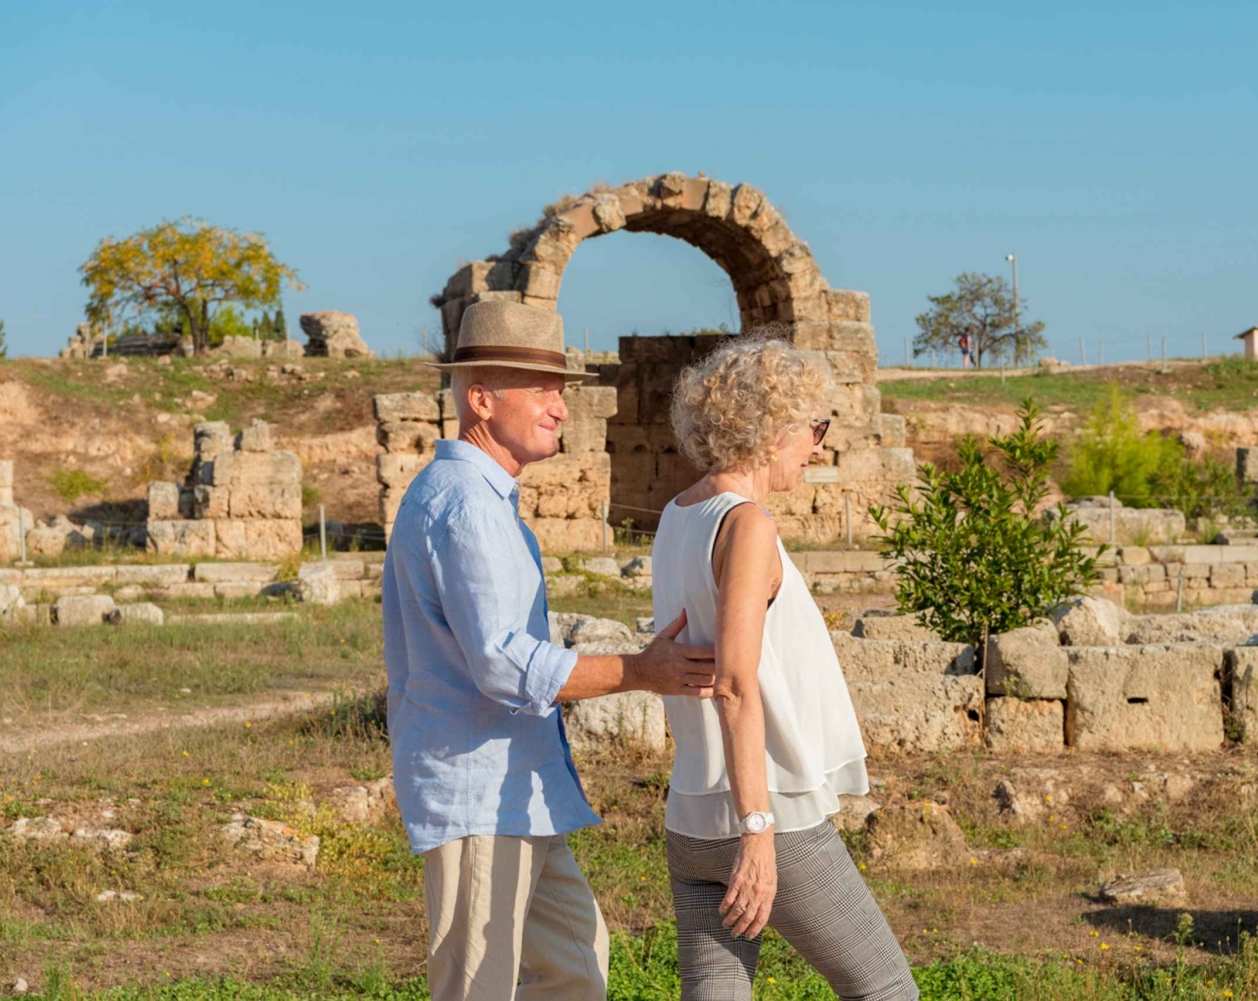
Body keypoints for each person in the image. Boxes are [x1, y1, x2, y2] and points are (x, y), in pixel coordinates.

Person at [382, 299, 716, 1001]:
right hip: (478, 791)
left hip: (516, 790)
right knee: (479, 986)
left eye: (561, 392)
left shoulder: (482, 498)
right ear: (481, 398)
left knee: (574, 969)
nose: (561, 409)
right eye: (542, 390)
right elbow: (503, 662)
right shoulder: (468, 506)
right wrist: (640, 670)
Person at [651, 332, 919, 1001]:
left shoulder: (674, 516)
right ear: (771, 430)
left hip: (689, 815)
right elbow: (736, 684)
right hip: (768, 810)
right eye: (815, 427)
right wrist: (758, 828)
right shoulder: (748, 526)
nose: (820, 444)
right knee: (886, 988)